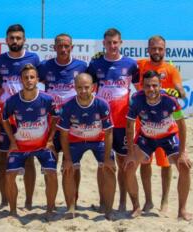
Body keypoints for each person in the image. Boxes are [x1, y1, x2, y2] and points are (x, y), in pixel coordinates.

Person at [0, 24, 40, 208]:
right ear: (6, 40)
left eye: (18, 38)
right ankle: (5, 198)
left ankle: (29, 201)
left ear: (24, 40)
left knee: (29, 158)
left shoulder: (34, 58)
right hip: (5, 115)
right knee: (2, 157)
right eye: (11, 38)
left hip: (27, 117)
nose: (15, 41)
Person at [125, 70, 192, 221]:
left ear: (160, 85)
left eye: (155, 85)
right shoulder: (136, 100)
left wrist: (182, 153)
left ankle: (182, 210)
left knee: (185, 166)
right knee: (129, 166)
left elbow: (182, 126)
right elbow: (129, 126)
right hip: (147, 138)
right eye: (147, 86)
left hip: (168, 137)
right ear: (142, 86)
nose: (151, 89)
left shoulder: (170, 100)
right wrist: (130, 153)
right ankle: (136, 206)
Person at [87, 28, 139, 212]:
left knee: (124, 164)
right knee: (103, 166)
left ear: (121, 43)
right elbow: (89, 91)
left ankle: (123, 203)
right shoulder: (95, 65)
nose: (112, 46)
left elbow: (140, 92)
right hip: (102, 124)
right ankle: (104, 203)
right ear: (104, 43)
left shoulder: (131, 64)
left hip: (123, 124)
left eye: (115, 42)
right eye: (108, 43)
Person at [137, 35, 186, 213]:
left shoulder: (171, 69)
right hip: (144, 122)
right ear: (148, 49)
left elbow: (182, 92)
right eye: (153, 48)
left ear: (164, 50)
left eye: (160, 48)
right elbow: (119, 65)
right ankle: (148, 201)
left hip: (165, 125)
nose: (156, 51)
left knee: (166, 165)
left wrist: (177, 92)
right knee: (144, 162)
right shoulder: (140, 64)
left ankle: (165, 201)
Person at [2, 64, 58, 218]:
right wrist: (12, 141)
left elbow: (55, 118)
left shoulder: (47, 99)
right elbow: (4, 120)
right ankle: (13, 211)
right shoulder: (12, 100)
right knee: (9, 175)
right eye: (25, 78)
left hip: (42, 146)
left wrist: (51, 140)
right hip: (20, 146)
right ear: (21, 80)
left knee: (52, 173)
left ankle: (50, 209)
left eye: (32, 77)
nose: (29, 80)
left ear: (37, 79)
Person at [38, 33, 87, 207]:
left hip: (73, 125)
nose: (63, 49)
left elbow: (88, 88)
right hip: (50, 124)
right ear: (54, 47)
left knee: (73, 165)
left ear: (72, 47)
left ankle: (73, 200)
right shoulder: (45, 66)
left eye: (67, 46)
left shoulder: (81, 66)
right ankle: (50, 204)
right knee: (51, 167)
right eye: (60, 45)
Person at [57, 73, 115, 220]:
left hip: (98, 140)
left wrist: (108, 158)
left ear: (93, 87)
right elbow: (63, 135)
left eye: (86, 87)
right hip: (75, 141)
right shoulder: (68, 106)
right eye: (79, 88)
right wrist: (68, 159)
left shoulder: (102, 104)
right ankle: (70, 207)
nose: (83, 91)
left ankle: (108, 208)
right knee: (68, 169)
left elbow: (108, 132)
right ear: (74, 88)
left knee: (109, 168)